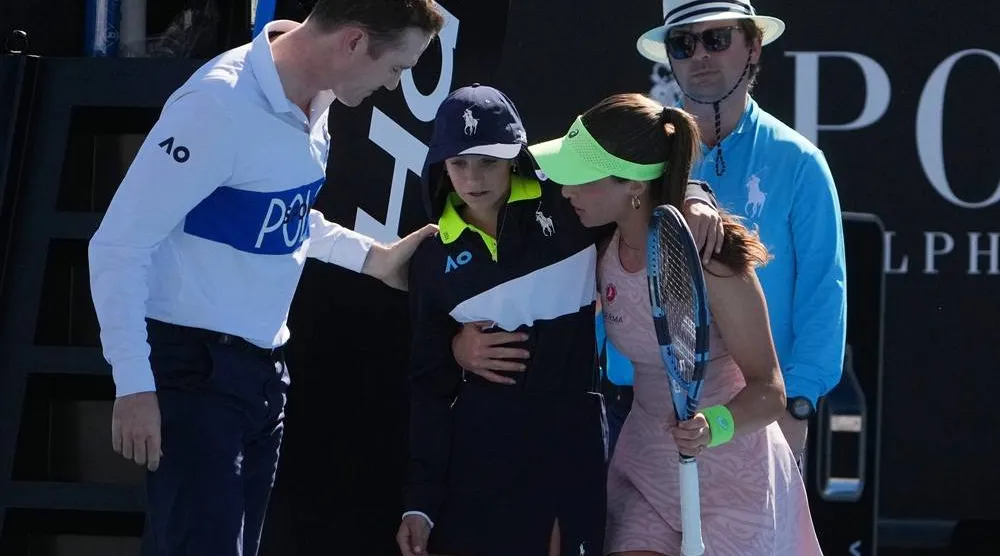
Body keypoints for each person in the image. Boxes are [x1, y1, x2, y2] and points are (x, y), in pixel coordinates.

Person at [87, 2, 444, 555]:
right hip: (194, 378)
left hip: (260, 380)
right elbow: (118, 245)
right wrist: (134, 383)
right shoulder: (217, 106)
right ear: (353, 42)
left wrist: (372, 258)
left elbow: (282, 214)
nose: (394, 86)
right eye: (397, 68)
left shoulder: (317, 101)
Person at [394, 85, 721, 556]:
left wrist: (695, 193)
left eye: (488, 161)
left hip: (576, 441)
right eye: (459, 162)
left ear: (514, 158)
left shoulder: (569, 203)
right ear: (440, 165)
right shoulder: (429, 258)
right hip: (482, 459)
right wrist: (419, 502)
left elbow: (638, 178)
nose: (473, 177)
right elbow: (429, 386)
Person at [531, 92, 823, 556]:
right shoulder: (596, 246)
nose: (565, 191)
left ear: (632, 185)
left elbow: (770, 392)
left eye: (581, 178)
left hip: (733, 474)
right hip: (646, 464)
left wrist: (714, 425)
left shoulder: (714, 262)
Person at [635, 0, 848, 459]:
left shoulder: (800, 163)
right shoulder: (640, 160)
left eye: (717, 39)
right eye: (683, 43)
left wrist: (797, 403)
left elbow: (822, 291)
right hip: (646, 414)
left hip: (760, 418)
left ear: (753, 47)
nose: (700, 56)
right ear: (669, 57)